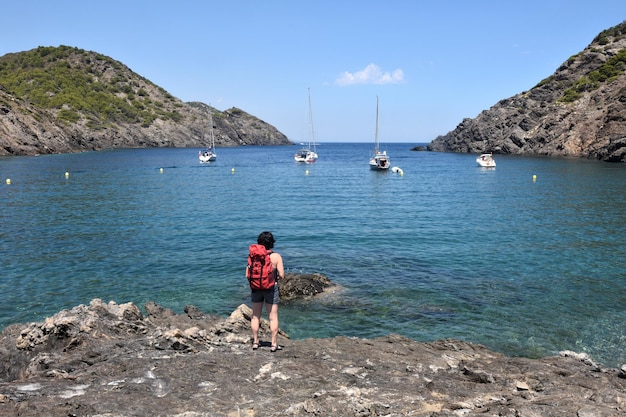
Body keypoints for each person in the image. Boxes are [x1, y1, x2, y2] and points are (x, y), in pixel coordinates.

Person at [249, 231, 284, 352]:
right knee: (273, 317)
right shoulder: (276, 256)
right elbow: (282, 275)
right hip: (270, 288)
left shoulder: (253, 256)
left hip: (255, 288)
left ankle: (255, 342)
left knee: (255, 316)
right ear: (272, 243)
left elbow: (247, 274)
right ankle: (274, 344)